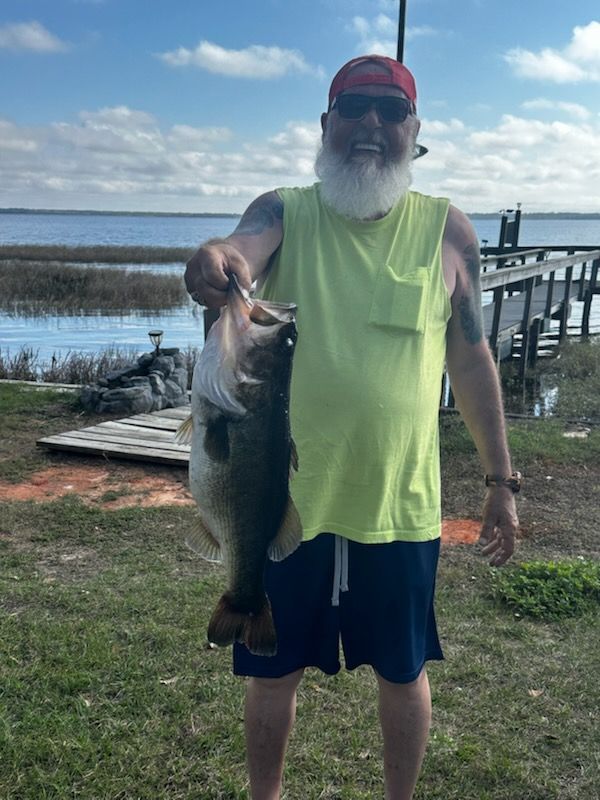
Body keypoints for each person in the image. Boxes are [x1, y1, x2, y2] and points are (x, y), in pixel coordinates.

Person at [185, 55, 520, 800]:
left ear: (415, 130)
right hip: (283, 501)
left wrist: (501, 481)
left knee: (405, 673)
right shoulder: (285, 210)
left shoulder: (449, 233)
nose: (371, 125)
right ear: (326, 124)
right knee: (272, 672)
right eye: (355, 107)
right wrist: (216, 262)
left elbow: (470, 361)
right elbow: (241, 248)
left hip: (400, 506)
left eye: (390, 112)